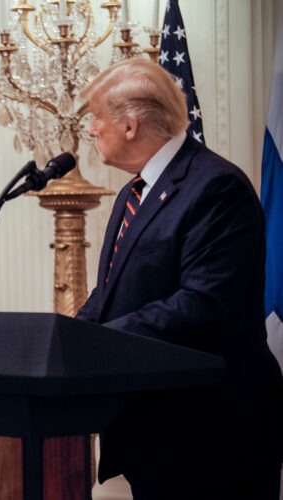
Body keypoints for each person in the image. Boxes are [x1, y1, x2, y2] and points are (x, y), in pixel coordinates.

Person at [76, 59, 283, 499]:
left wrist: (100, 341)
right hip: (156, 434)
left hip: (215, 436)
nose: (91, 129)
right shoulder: (135, 192)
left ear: (130, 125)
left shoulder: (216, 186)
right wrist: (68, 336)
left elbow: (201, 303)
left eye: (95, 117)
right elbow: (111, 293)